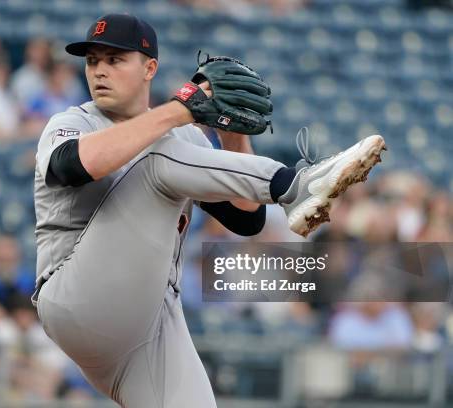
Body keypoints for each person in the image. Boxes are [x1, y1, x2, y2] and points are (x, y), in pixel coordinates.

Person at [32, 14, 386, 407]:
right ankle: (296, 186)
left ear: (150, 68)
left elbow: (245, 218)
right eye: (92, 60)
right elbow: (73, 166)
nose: (99, 70)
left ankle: (291, 187)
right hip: (76, 293)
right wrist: (179, 109)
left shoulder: (182, 137)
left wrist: (232, 137)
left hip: (147, 323)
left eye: (114, 60)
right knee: (157, 153)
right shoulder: (73, 121)